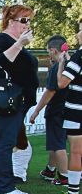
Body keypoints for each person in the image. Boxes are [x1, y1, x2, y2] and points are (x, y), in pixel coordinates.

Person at [0, 5, 39, 194]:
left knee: (2, 139)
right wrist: (19, 45)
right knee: (5, 141)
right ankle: (5, 186)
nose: (27, 25)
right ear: (10, 21)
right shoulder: (1, 41)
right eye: (23, 20)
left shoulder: (13, 42)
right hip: (7, 100)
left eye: (29, 20)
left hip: (16, 101)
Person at [28, 36, 69, 184]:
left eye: (48, 52)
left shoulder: (57, 69)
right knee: (56, 141)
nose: (49, 55)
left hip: (57, 111)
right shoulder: (73, 66)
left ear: (53, 50)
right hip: (70, 110)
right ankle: (50, 170)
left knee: (58, 144)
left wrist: (37, 110)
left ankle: (64, 177)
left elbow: (49, 92)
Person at [54, 18, 82, 194]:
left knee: (76, 153)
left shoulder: (80, 56)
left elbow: (62, 83)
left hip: (76, 111)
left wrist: (62, 64)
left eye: (80, 29)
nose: (78, 34)